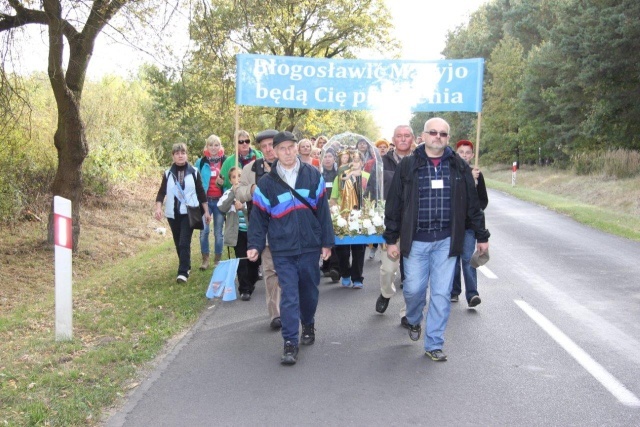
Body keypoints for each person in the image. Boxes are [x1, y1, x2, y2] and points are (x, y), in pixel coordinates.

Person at [383, 118, 490, 362]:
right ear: (424, 135)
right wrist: (391, 239)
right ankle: (413, 318)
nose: (438, 137)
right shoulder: (409, 165)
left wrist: (482, 236)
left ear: (448, 138)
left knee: (441, 294)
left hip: (446, 241)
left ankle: (434, 343)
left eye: (443, 134)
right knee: (413, 290)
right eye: (433, 132)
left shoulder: (458, 168)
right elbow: (395, 204)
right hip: (416, 241)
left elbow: (473, 205)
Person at [247, 131, 334, 366]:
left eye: (290, 147)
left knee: (309, 291)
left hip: (309, 245)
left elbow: (323, 212)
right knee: (289, 294)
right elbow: (258, 218)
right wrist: (254, 245)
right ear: (274, 152)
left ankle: (308, 322)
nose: (287, 152)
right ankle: (289, 342)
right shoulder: (266, 183)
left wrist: (327, 242)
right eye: (282, 148)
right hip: (282, 248)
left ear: (297, 148)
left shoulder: (312, 175)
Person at [235, 129, 282, 329]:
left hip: (289, 227)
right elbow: (238, 191)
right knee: (270, 271)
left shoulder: (289, 166)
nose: (268, 149)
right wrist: (252, 190)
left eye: (271, 145)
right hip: (264, 226)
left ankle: (292, 307)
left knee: (289, 271)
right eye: (263, 146)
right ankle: (275, 314)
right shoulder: (250, 169)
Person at [155, 143, 211, 283]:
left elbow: (201, 192)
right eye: (177, 153)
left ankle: (183, 272)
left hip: (189, 212)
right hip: (172, 214)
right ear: (173, 156)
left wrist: (206, 211)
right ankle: (187, 265)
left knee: (184, 242)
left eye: (183, 153)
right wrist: (158, 208)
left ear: (187, 154)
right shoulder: (168, 174)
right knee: (177, 241)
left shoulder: (194, 171)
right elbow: (161, 192)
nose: (180, 155)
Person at [375, 125, 414, 327]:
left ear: (413, 138)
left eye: (407, 135)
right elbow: (372, 189)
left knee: (412, 273)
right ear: (393, 139)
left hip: (414, 226)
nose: (403, 139)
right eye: (399, 136)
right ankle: (386, 293)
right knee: (388, 269)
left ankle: (408, 313)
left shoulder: (421, 160)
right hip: (390, 223)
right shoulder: (381, 162)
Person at [450, 140, 489, 307]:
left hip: (469, 225)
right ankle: (454, 290)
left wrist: (473, 186)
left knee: (467, 258)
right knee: (453, 259)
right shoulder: (450, 172)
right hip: (452, 224)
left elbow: (482, 200)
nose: (464, 155)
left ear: (472, 155)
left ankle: (472, 293)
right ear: (456, 153)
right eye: (461, 151)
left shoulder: (477, 175)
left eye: (467, 152)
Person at [218, 167, 259, 301]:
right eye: (234, 177)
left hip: (252, 232)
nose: (237, 179)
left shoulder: (250, 193)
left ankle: (251, 281)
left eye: (240, 176)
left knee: (254, 261)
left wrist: (243, 208)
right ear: (230, 180)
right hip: (238, 234)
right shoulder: (228, 194)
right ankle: (244, 288)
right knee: (241, 260)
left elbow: (257, 212)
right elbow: (222, 207)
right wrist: (232, 194)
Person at [331, 151, 369, 289]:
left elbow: (370, 197)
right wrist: (335, 214)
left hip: (360, 217)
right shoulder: (340, 177)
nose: (354, 162)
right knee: (342, 249)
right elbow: (334, 198)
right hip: (342, 216)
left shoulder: (366, 178)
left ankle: (357, 278)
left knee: (359, 248)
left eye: (357, 160)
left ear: (362, 163)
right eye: (352, 160)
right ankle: (345, 273)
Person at [195, 134, 226, 270]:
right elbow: (195, 182)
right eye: (211, 145)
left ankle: (217, 260)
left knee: (218, 233)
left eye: (216, 145)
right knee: (204, 231)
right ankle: (205, 259)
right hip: (205, 201)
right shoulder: (200, 162)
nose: (213, 148)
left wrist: (223, 183)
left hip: (220, 201)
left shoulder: (225, 161)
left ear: (220, 147)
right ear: (206, 146)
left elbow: (232, 178)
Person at [319, 149, 340, 282]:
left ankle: (335, 267)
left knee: (335, 235)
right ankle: (326, 265)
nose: (327, 159)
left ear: (334, 159)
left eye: (330, 156)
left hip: (336, 208)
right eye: (325, 156)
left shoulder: (339, 174)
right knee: (323, 235)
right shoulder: (318, 174)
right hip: (321, 207)